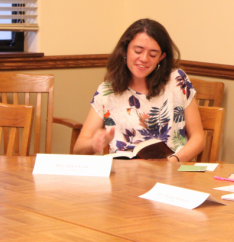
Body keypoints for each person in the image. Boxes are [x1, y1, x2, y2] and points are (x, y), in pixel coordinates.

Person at [73, 18, 205, 162]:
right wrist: (94, 143)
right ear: (125, 50)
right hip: (124, 175)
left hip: (170, 171)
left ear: (161, 57)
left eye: (153, 54)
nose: (144, 58)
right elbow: (79, 147)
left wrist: (171, 162)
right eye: (137, 51)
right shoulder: (108, 90)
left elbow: (198, 138)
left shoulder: (177, 81)